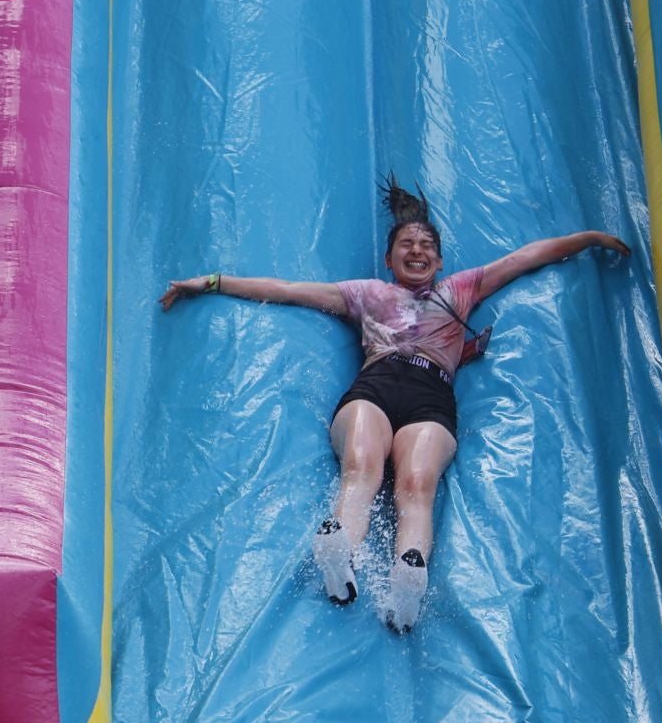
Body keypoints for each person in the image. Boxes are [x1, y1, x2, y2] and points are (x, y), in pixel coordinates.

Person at [160, 177, 629, 632]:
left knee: (416, 483)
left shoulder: (461, 289)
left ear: (439, 261)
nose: (417, 250)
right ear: (389, 259)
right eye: (407, 244)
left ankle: (408, 577)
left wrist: (587, 239)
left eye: (426, 245)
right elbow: (286, 290)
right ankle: (340, 551)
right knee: (362, 466)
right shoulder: (367, 294)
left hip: (431, 395)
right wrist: (213, 282)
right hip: (376, 386)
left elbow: (523, 259)